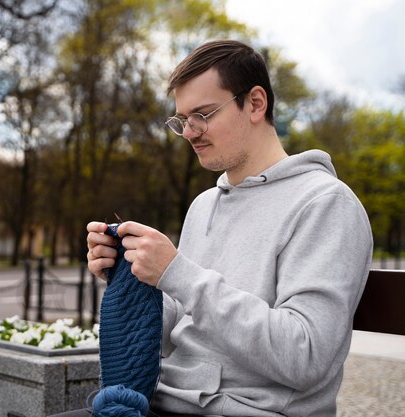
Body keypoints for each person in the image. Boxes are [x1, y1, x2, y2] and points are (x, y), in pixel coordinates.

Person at [54, 39, 373, 417]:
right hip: (163, 400)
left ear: (255, 103)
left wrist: (178, 273)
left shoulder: (324, 204)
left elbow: (306, 356)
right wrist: (134, 275)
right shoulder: (204, 205)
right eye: (183, 120)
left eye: (203, 114)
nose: (189, 132)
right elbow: (176, 331)